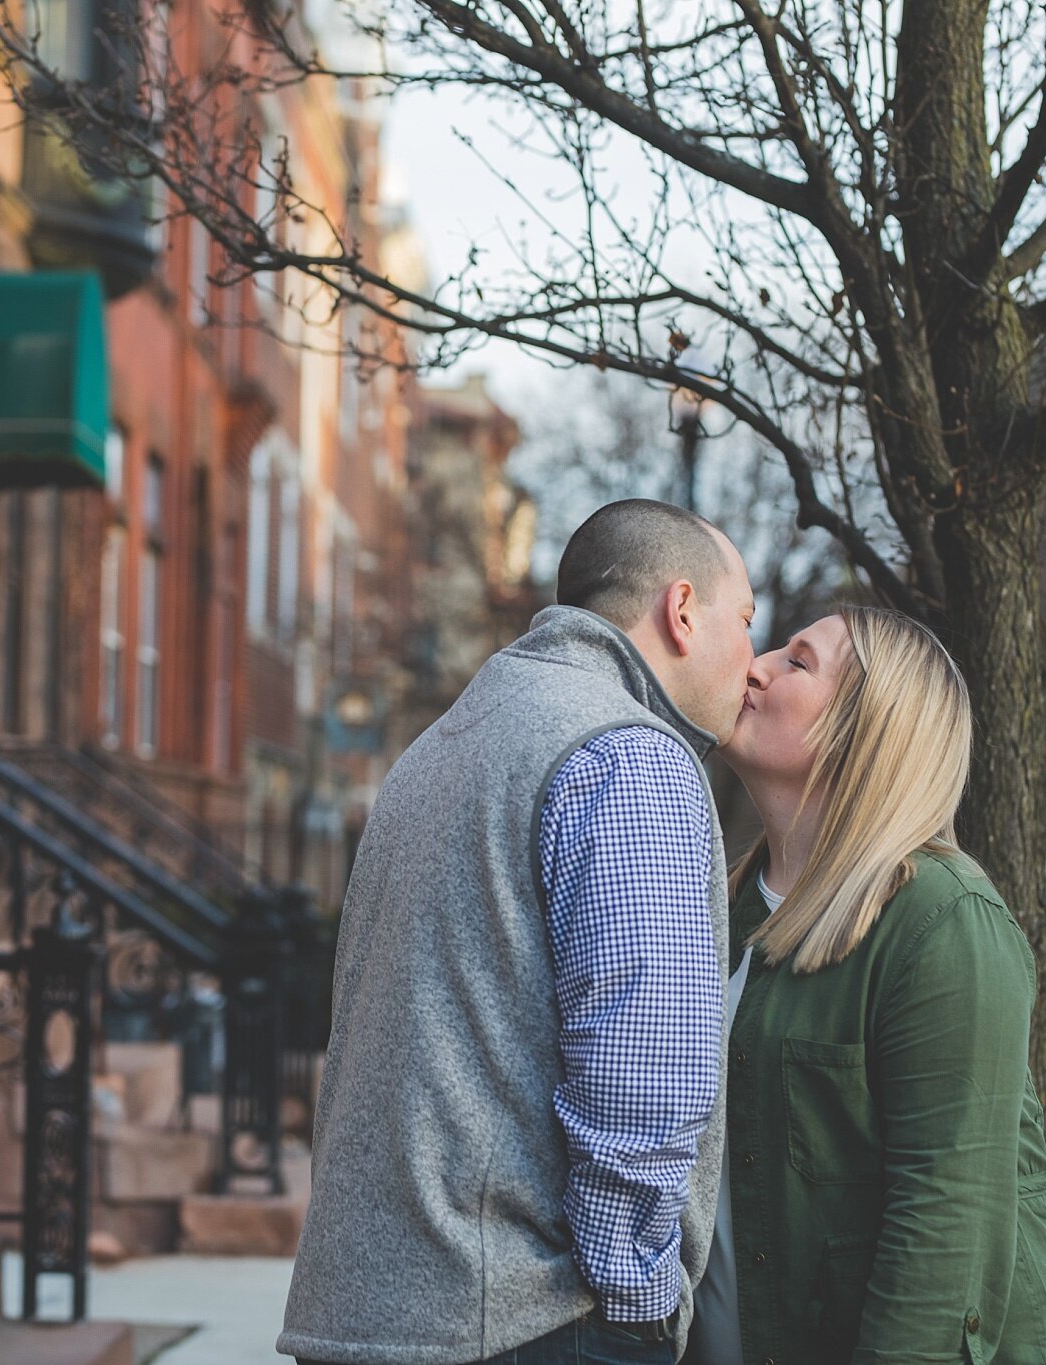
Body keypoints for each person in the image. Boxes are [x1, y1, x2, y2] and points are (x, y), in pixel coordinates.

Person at [280, 499, 757, 1365]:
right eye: (748, 621)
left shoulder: (441, 744)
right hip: (522, 1319)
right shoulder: (630, 756)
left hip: (365, 1311)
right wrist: (640, 1309)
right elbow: (641, 1069)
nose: (752, 662)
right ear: (682, 611)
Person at [686, 605, 1046, 1364]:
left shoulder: (941, 921)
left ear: (865, 729)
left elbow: (943, 1234)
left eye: (798, 661)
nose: (756, 665)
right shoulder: (722, 907)